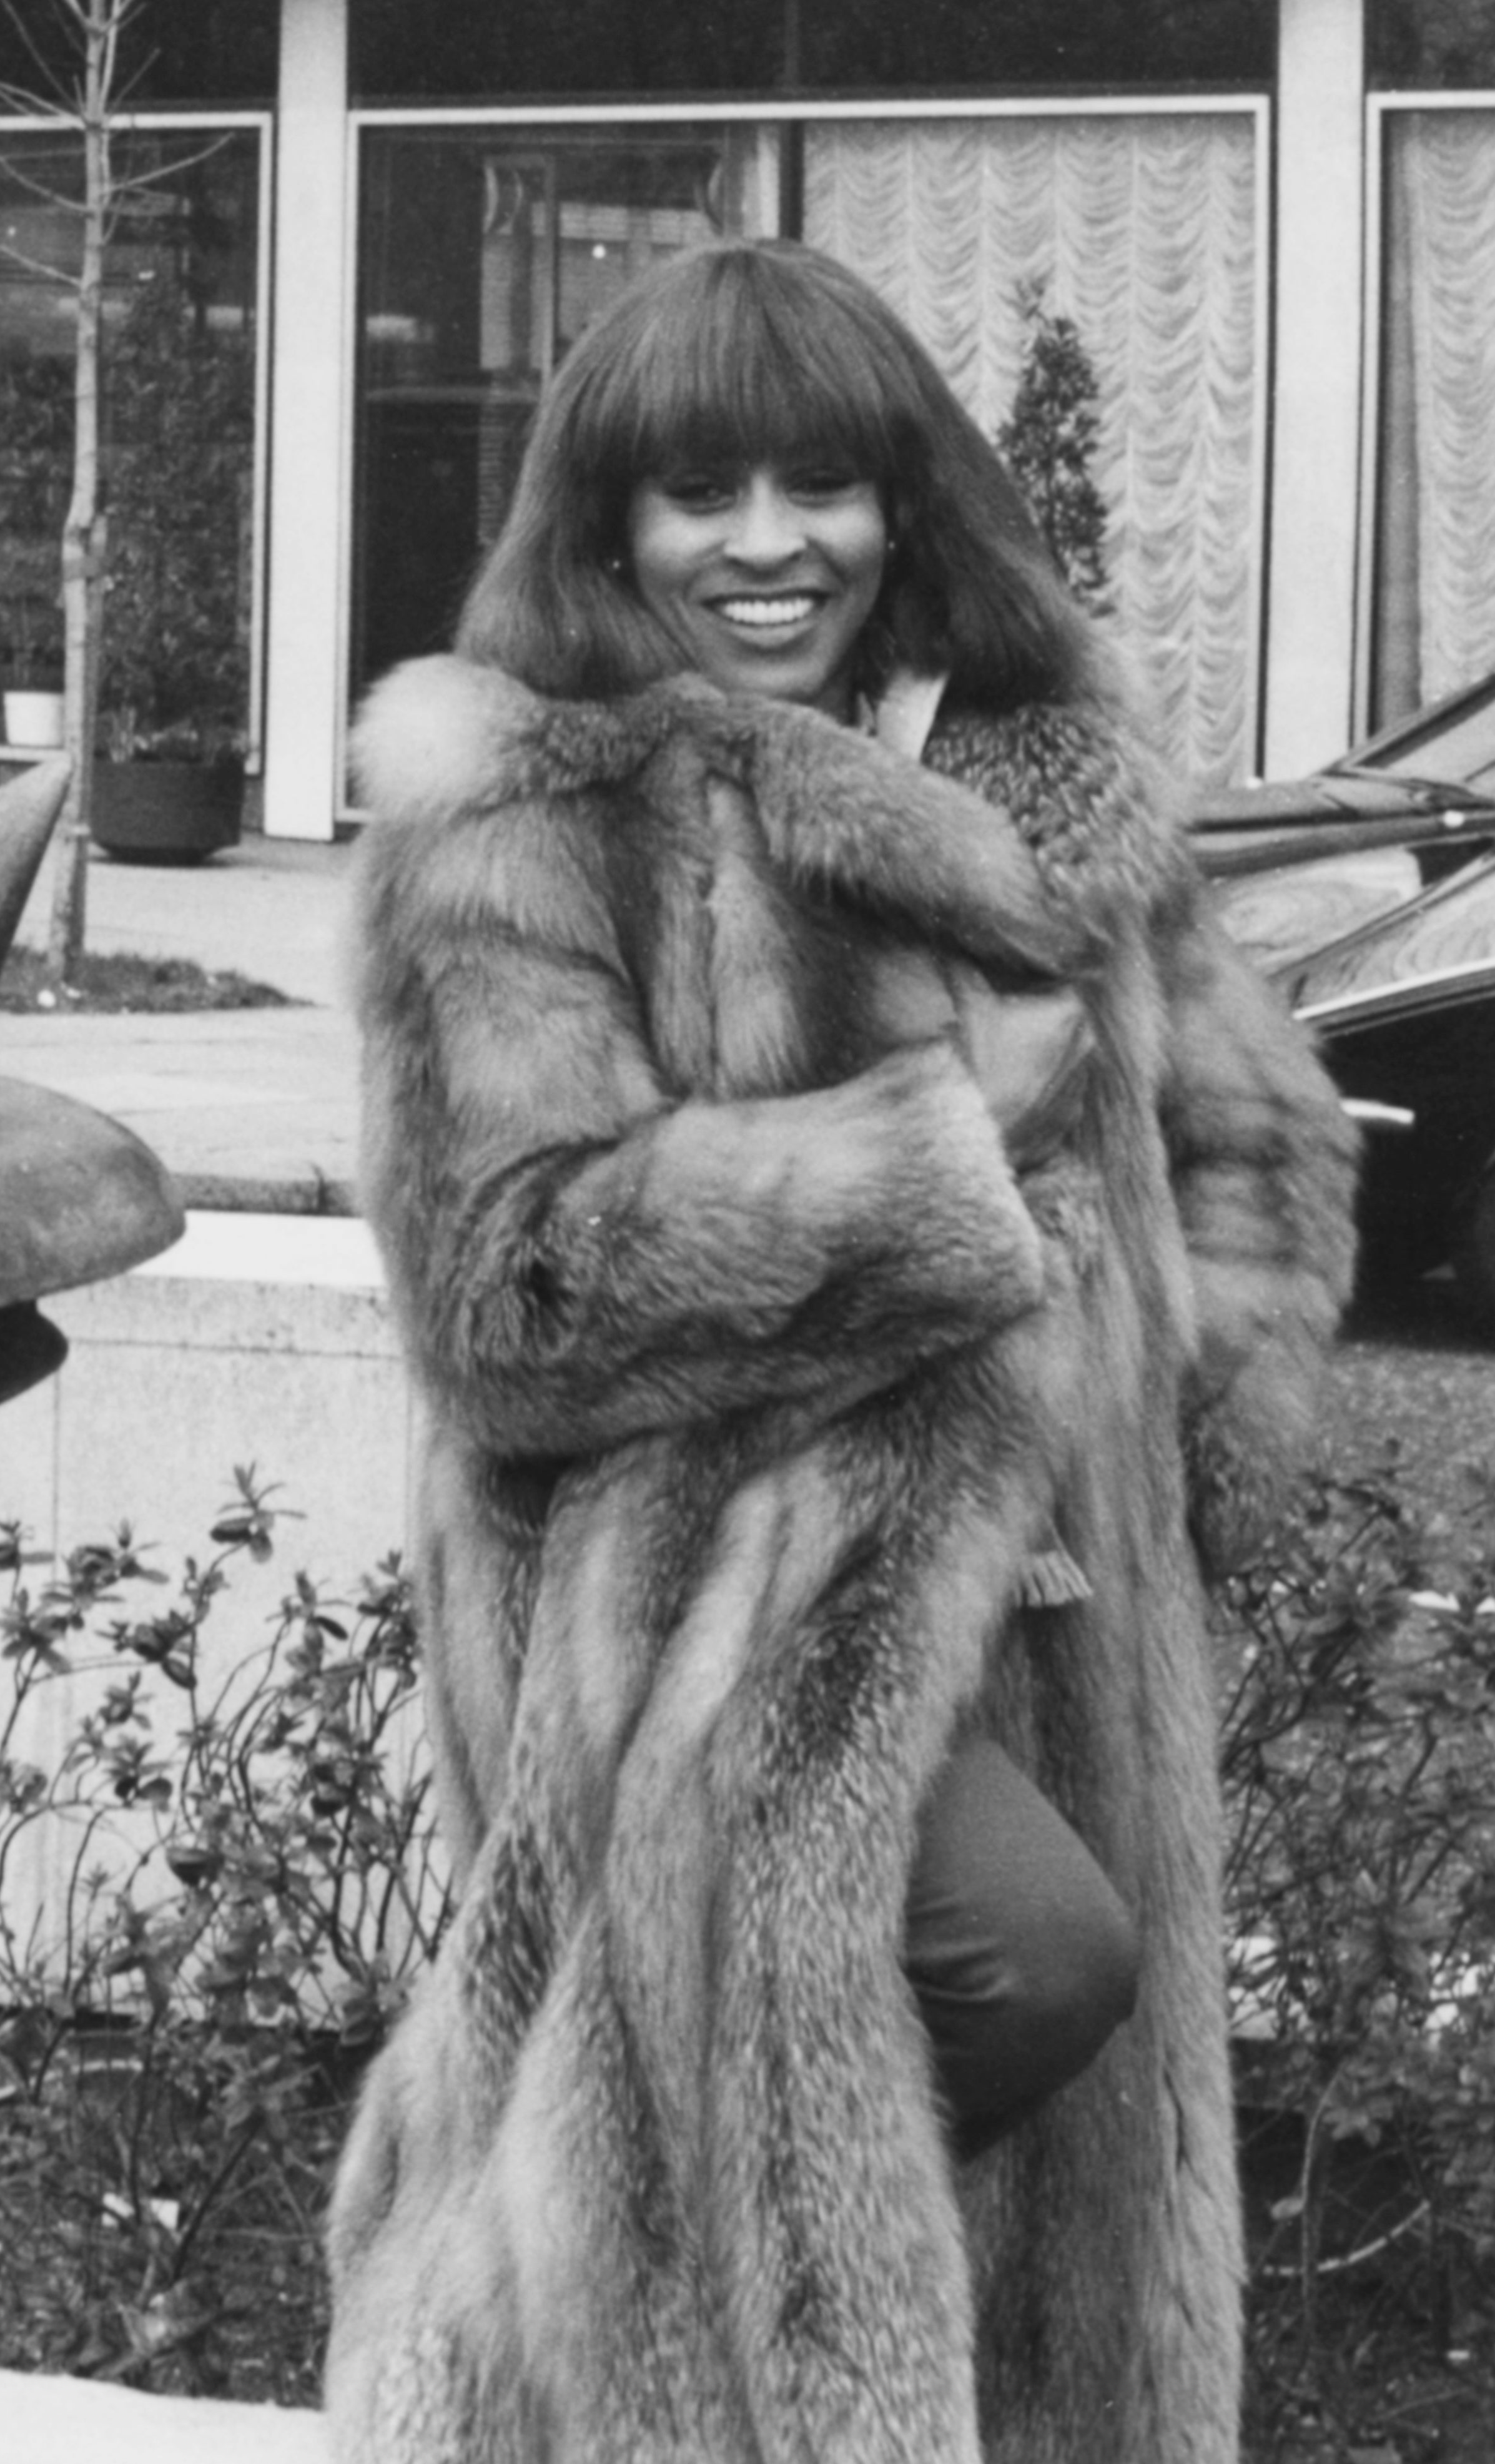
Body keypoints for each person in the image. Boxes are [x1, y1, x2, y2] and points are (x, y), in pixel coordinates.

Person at [325, 239, 1356, 2463]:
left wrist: (1196, 1410)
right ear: (606, 527)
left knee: (1006, 2195)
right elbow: (508, 1294)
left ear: (911, 502)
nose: (770, 545)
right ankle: (500, 2310)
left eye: (824, 483)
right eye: (702, 494)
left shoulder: (1050, 773)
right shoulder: (522, 818)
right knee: (1007, 1974)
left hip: (1063, 1591)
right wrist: (930, 1153)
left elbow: (1247, 1128)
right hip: (705, 1601)